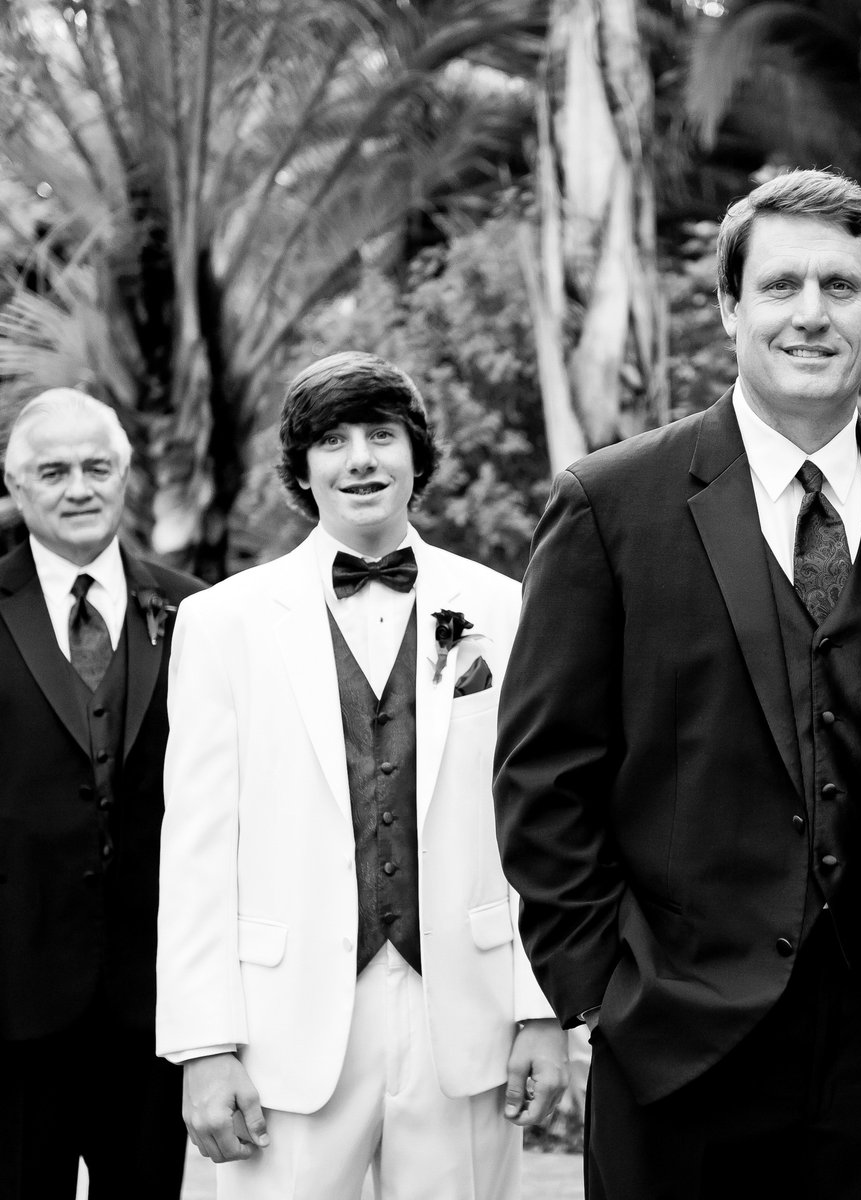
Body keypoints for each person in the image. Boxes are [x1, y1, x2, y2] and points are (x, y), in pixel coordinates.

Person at [493, 168, 861, 1199]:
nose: (811, 314)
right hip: (677, 1037)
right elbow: (544, 775)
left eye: (840, 287)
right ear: (729, 307)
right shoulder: (610, 506)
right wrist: (605, 986)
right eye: (781, 285)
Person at [155, 352, 565, 1200]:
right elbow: (196, 847)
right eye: (332, 441)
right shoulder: (223, 622)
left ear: (417, 454)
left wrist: (542, 1009)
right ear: (302, 469)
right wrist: (204, 1045)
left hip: (468, 1015)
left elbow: (539, 818)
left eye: (382, 435)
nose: (361, 460)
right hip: (285, 1026)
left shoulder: (502, 606)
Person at [0, 388, 201, 1199]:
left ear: (125, 477)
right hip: (8, 1003)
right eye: (54, 471)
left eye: (97, 467)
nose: (79, 488)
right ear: (16, 486)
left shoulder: (199, 612)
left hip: (155, 1002)